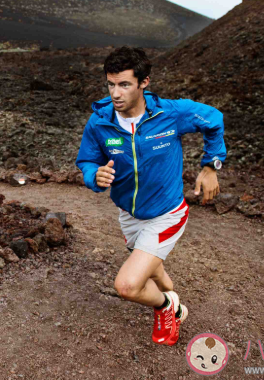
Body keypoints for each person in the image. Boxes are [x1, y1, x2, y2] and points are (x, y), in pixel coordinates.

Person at [76, 46, 226, 346]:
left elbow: (214, 119)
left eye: (124, 85)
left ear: (144, 82)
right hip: (129, 214)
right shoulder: (100, 121)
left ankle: (167, 307)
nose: (116, 93)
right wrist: (95, 176)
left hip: (167, 213)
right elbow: (87, 161)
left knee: (128, 285)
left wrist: (211, 165)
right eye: (111, 84)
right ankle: (171, 294)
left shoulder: (170, 113)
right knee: (154, 269)